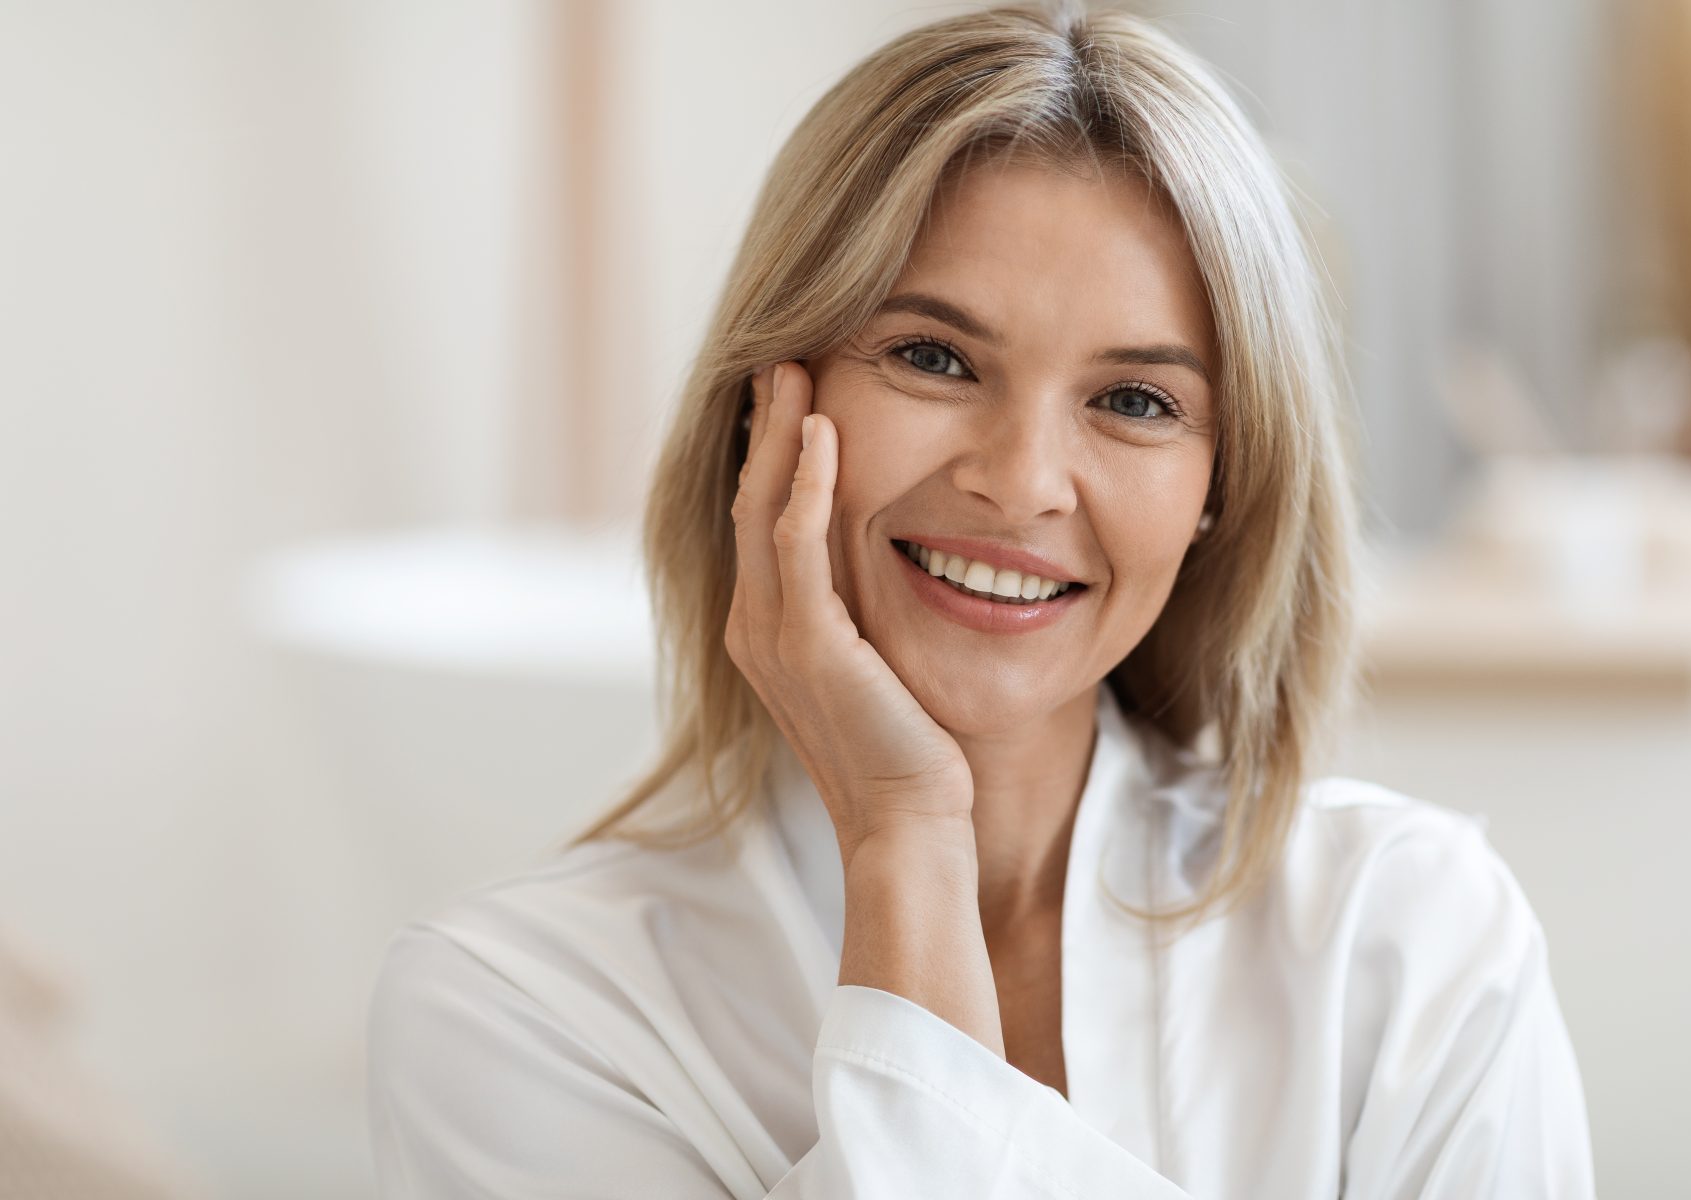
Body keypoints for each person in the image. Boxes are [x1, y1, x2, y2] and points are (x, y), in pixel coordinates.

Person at [365, 2, 1598, 1196]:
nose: (1018, 484)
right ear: (770, 408)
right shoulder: (519, 1010)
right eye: (933, 357)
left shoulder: (1409, 942)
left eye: (1134, 401)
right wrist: (905, 838)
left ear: (1221, 488)